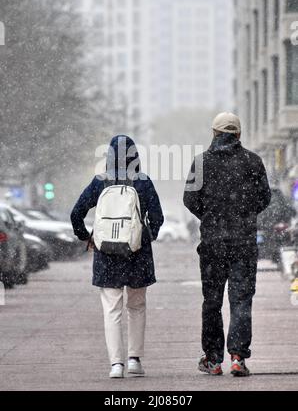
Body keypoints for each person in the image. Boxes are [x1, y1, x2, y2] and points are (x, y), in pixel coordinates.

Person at [183, 112, 271, 377]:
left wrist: (210, 217)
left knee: (212, 302)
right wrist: (243, 215)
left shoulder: (201, 163)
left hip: (212, 245)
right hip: (243, 243)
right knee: (241, 300)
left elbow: (189, 199)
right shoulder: (252, 162)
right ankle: (237, 357)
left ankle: (213, 359)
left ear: (214, 133)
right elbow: (264, 198)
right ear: (239, 134)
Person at [71, 135, 164, 379]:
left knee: (112, 310)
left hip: (106, 255)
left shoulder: (100, 181)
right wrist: (145, 237)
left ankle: (116, 365)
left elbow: (76, 213)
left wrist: (87, 238)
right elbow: (158, 217)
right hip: (137, 255)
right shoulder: (142, 181)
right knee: (137, 307)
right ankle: (134, 359)